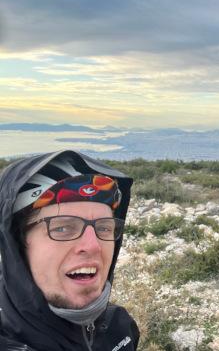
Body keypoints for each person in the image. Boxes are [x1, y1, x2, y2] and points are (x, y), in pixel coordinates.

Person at [0, 150, 139, 350]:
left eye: (104, 228)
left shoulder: (119, 328)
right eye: (62, 228)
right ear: (16, 243)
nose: (93, 246)